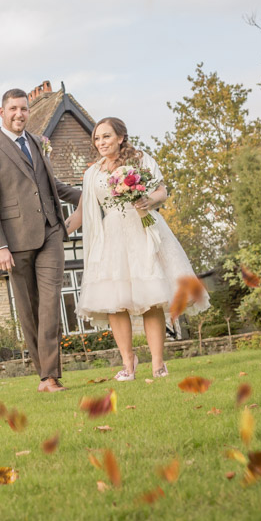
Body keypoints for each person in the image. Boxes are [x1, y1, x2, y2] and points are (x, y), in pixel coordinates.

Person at [65, 117, 209, 381]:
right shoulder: (92, 173)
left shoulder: (141, 160)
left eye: (106, 137)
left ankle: (157, 363)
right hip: (111, 238)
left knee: (151, 298)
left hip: (144, 231)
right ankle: (128, 363)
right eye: (97, 138)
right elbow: (83, 211)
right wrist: (60, 232)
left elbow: (162, 192)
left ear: (121, 137)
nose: (101, 143)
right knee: (114, 303)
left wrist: (147, 200)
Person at [0, 89, 82, 392]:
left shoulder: (37, 143)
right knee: (28, 309)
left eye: (24, 109)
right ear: (2, 112)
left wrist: (92, 193)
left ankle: (50, 376)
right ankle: (44, 374)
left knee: (49, 304)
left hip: (50, 233)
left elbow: (53, 185)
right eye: (13, 109)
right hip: (15, 242)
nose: (19, 114)